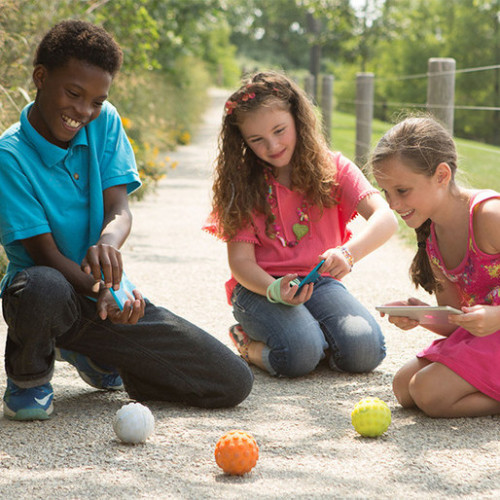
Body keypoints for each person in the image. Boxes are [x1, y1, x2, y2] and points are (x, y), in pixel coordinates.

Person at [0, 19, 253, 421]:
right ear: (41, 77)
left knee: (231, 381)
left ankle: (97, 349)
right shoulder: (9, 156)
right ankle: (28, 377)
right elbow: (43, 253)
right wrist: (103, 290)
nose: (83, 111)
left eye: (96, 100)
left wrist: (108, 248)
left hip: (101, 293)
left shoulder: (105, 121)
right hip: (45, 293)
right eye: (73, 93)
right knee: (42, 289)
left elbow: (119, 209)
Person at [204, 71, 397, 378]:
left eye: (280, 130)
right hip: (260, 288)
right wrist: (274, 289)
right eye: (257, 140)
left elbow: (385, 218)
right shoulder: (240, 183)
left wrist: (348, 254)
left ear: (298, 118)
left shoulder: (333, 167)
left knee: (365, 351)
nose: (272, 145)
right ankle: (247, 342)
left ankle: (313, 336)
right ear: (243, 141)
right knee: (299, 355)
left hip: (319, 282)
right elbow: (240, 263)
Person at [370, 116, 500, 418]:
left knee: (430, 392)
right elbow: (458, 322)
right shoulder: (433, 238)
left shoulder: (490, 216)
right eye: (386, 193)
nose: (392, 204)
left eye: (402, 191)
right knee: (405, 387)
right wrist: (421, 315)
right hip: (486, 339)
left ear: (441, 175)